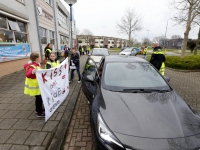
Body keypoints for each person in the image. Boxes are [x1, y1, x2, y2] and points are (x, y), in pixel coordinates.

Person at [24, 53, 45, 118]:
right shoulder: (33, 66)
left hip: (38, 85)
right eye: (40, 57)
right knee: (39, 99)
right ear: (37, 59)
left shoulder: (36, 64)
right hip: (35, 86)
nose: (40, 58)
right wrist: (33, 71)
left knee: (38, 98)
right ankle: (39, 113)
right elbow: (28, 74)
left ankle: (38, 109)